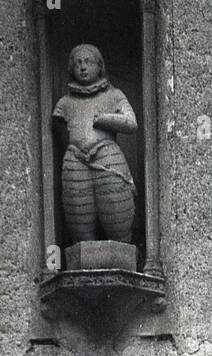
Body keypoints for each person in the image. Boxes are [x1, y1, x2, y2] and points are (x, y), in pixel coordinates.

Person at [53, 44, 138, 245]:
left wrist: (104, 119)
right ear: (71, 68)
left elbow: (131, 123)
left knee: (117, 217)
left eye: (88, 62)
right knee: (80, 223)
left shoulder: (113, 95)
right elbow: (58, 127)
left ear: (99, 66)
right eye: (78, 63)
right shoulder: (65, 103)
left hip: (107, 160)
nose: (83, 67)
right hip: (75, 161)